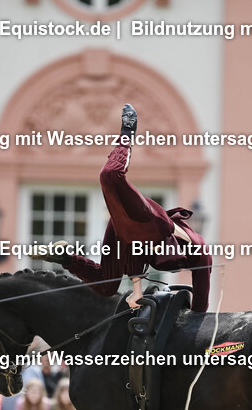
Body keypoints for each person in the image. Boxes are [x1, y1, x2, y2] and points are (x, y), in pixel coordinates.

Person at [32, 104, 212, 312]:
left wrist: (196, 321)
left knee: (107, 286)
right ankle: (127, 133)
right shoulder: (166, 228)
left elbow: (201, 300)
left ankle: (62, 256)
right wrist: (137, 290)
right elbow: (141, 243)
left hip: (124, 231)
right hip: (144, 220)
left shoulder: (201, 258)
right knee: (109, 176)